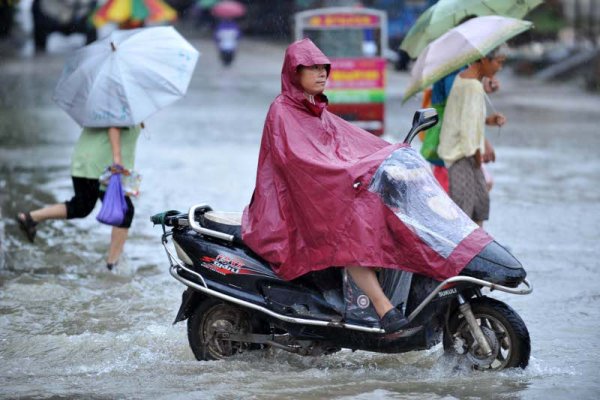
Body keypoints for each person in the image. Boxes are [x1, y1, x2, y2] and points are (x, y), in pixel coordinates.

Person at [242, 39, 492, 333]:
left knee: (387, 219)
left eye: (324, 67)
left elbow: (352, 144)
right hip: (291, 207)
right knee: (353, 234)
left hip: (320, 196)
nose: (321, 73)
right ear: (294, 73)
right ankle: (383, 310)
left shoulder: (316, 111)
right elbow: (298, 162)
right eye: (312, 68)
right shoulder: (282, 112)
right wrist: (350, 172)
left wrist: (391, 156)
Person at [16, 125, 141, 271]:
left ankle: (30, 218)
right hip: (100, 167)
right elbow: (114, 126)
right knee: (124, 211)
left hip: (85, 161)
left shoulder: (109, 108)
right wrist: (117, 160)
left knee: (81, 206)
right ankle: (112, 266)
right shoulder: (122, 106)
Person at [437, 48, 507, 227]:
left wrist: (488, 120)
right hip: (463, 155)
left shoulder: (466, 80)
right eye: (498, 62)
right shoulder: (472, 86)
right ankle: (466, 254)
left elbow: (468, 118)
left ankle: (476, 251)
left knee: (478, 206)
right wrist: (477, 155)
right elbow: (468, 129)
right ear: (484, 60)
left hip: (465, 153)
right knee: (465, 214)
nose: (500, 67)